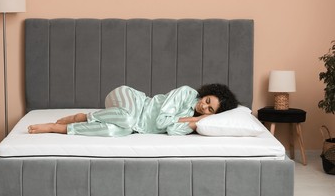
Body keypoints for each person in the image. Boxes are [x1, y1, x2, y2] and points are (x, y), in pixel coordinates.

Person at [27, 83, 238, 136]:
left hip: (134, 125)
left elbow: (172, 131)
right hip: (130, 98)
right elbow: (162, 123)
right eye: (208, 100)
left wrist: (196, 122)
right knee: (127, 119)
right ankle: (82, 116)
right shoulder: (187, 93)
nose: (204, 106)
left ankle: (60, 129)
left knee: (118, 131)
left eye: (210, 110)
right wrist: (190, 121)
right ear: (206, 93)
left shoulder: (193, 123)